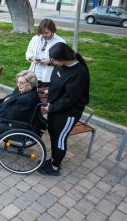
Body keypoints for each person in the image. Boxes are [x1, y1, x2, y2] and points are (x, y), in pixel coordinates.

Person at [38, 42, 90, 176]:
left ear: (64, 59)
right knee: (53, 133)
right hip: (56, 108)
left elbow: (69, 99)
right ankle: (55, 159)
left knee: (59, 137)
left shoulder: (79, 73)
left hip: (69, 113)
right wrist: (51, 92)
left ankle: (55, 166)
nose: (52, 62)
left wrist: (52, 107)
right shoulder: (62, 65)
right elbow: (60, 85)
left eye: (54, 60)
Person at [25, 19, 66, 87]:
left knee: (41, 96)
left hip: (48, 77)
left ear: (52, 30)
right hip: (33, 75)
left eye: (46, 33)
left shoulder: (60, 42)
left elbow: (63, 61)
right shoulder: (35, 38)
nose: (44, 35)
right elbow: (28, 53)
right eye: (42, 32)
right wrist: (32, 58)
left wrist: (49, 62)